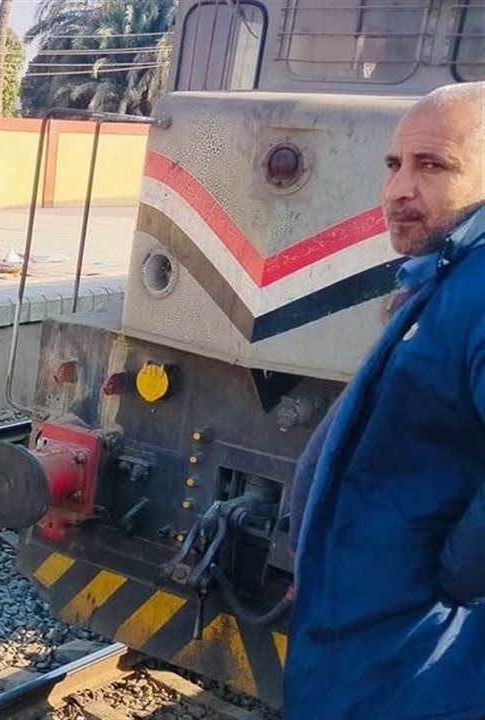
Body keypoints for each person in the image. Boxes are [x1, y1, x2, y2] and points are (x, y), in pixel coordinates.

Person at [284, 82, 485, 720]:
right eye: (394, 164)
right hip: (371, 639)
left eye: (433, 166)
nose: (399, 189)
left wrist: (459, 577)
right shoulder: (445, 275)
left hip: (416, 660)